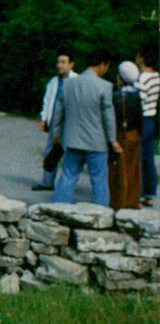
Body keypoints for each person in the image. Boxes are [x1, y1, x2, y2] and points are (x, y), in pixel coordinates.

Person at [52, 46, 121, 207]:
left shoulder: (69, 84)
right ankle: (100, 214)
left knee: (68, 176)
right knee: (98, 180)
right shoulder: (104, 86)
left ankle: (57, 209)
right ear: (102, 65)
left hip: (72, 139)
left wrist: (57, 132)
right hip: (97, 142)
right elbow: (108, 117)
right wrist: (112, 140)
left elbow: (58, 111)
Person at [32, 49, 77, 191]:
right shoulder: (53, 81)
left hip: (70, 124)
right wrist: (44, 118)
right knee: (50, 152)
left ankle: (66, 186)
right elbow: (47, 101)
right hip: (55, 123)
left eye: (63, 62)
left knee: (69, 155)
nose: (60, 65)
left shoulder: (76, 81)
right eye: (58, 62)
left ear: (71, 64)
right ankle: (47, 182)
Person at [108, 61, 143, 211]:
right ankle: (132, 200)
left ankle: (118, 202)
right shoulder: (136, 96)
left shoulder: (116, 96)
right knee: (133, 169)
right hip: (133, 134)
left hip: (120, 134)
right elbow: (140, 119)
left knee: (118, 170)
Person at [135, 41, 160, 207]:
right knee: (149, 158)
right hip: (152, 119)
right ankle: (150, 193)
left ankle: (140, 192)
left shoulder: (141, 78)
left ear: (142, 59)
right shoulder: (157, 77)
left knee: (138, 158)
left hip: (141, 119)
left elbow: (139, 102)